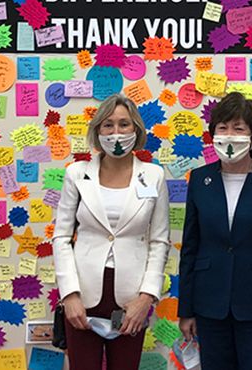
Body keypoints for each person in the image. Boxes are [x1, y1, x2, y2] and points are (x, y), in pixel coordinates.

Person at [178, 92, 252, 370]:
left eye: (238, 128)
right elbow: (190, 248)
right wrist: (186, 310)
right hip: (210, 306)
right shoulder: (199, 179)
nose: (229, 135)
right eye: (223, 128)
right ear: (213, 134)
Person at [53, 94, 170, 370]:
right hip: (83, 295)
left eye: (124, 124)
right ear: (97, 131)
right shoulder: (76, 173)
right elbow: (61, 237)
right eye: (108, 125)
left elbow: (160, 240)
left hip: (132, 299)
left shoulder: (154, 175)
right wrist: (69, 294)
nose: (116, 132)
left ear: (136, 129)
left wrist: (147, 297)